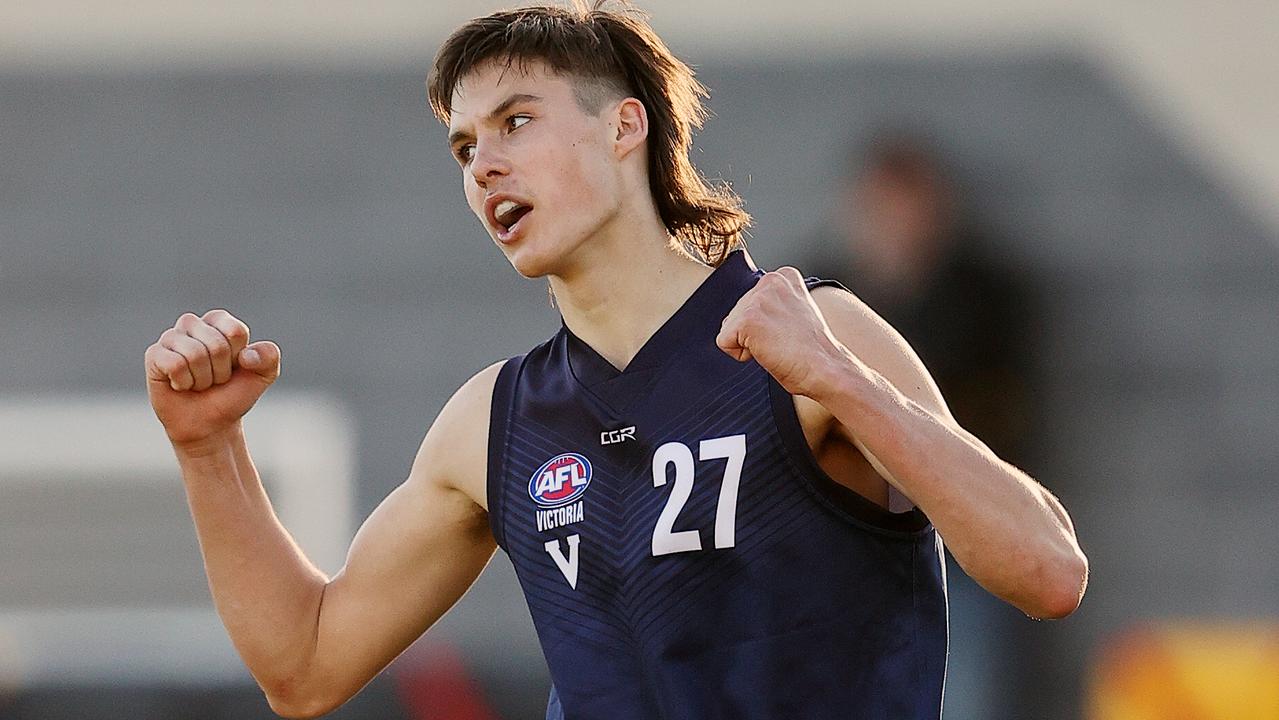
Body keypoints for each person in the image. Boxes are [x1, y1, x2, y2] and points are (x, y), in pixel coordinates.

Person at [143, 3, 1088, 719]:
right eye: (464, 146)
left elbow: (1047, 571)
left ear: (624, 127)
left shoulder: (816, 335)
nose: (483, 167)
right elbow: (304, 666)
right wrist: (207, 446)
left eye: (516, 122)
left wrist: (838, 378)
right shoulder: (494, 420)